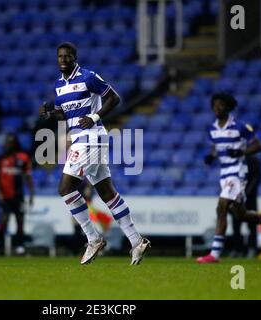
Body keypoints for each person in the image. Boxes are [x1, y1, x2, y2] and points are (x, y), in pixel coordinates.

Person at [39, 42, 150, 265]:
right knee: (107, 192)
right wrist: (51, 114)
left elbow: (114, 98)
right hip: (82, 140)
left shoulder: (88, 77)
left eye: (67, 56)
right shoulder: (59, 85)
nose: (63, 60)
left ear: (74, 58)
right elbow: (66, 115)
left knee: (65, 188)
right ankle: (136, 241)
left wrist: (95, 117)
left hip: (91, 139)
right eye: (60, 56)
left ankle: (93, 238)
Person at [197, 92, 261, 263]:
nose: (216, 108)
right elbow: (215, 147)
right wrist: (211, 156)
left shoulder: (240, 126)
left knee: (222, 207)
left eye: (220, 104)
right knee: (241, 215)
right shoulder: (213, 129)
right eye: (214, 104)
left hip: (237, 173)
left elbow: (259, 146)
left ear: (228, 106)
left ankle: (215, 254)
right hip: (224, 174)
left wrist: (242, 151)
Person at [0, 133, 35, 255]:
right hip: (4, 196)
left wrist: (31, 194)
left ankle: (20, 245)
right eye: (7, 142)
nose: (8, 144)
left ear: (15, 143)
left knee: (20, 220)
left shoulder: (23, 158)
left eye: (10, 142)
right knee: (4, 219)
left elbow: (28, 177)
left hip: (18, 195)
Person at [229, 155, 261, 258]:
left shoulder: (253, 160)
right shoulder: (234, 160)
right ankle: (238, 249)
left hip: (250, 199)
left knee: (252, 225)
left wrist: (246, 194)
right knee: (236, 225)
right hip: (235, 199)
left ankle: (252, 248)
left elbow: (256, 179)